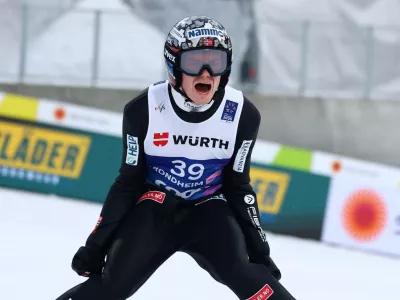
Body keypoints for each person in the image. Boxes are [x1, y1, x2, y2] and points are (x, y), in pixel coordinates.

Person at [56, 16, 296, 300]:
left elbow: (238, 186)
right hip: (155, 208)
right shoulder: (142, 110)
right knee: (112, 285)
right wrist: (95, 246)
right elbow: (127, 183)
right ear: (173, 67)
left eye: (215, 63)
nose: (206, 74)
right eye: (195, 63)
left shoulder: (243, 115)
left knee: (247, 274)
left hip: (209, 211)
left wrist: (260, 251)